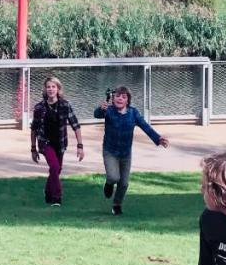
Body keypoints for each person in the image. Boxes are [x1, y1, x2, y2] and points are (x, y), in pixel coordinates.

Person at [93, 86, 169, 215]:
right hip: (110, 151)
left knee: (124, 183)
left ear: (128, 100)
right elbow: (97, 114)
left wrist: (158, 138)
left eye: (123, 97)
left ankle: (117, 205)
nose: (120, 98)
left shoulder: (133, 113)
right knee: (113, 177)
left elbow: (145, 126)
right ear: (113, 98)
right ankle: (109, 184)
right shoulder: (108, 111)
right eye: (117, 96)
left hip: (125, 154)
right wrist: (100, 109)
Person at [30, 76, 83, 207]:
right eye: (48, 87)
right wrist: (33, 148)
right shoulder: (39, 107)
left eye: (53, 87)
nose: (51, 89)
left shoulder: (65, 105)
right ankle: (57, 198)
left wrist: (80, 145)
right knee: (54, 167)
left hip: (60, 142)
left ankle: (48, 191)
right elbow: (34, 129)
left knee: (57, 170)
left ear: (58, 89)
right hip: (45, 142)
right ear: (45, 89)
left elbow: (75, 125)